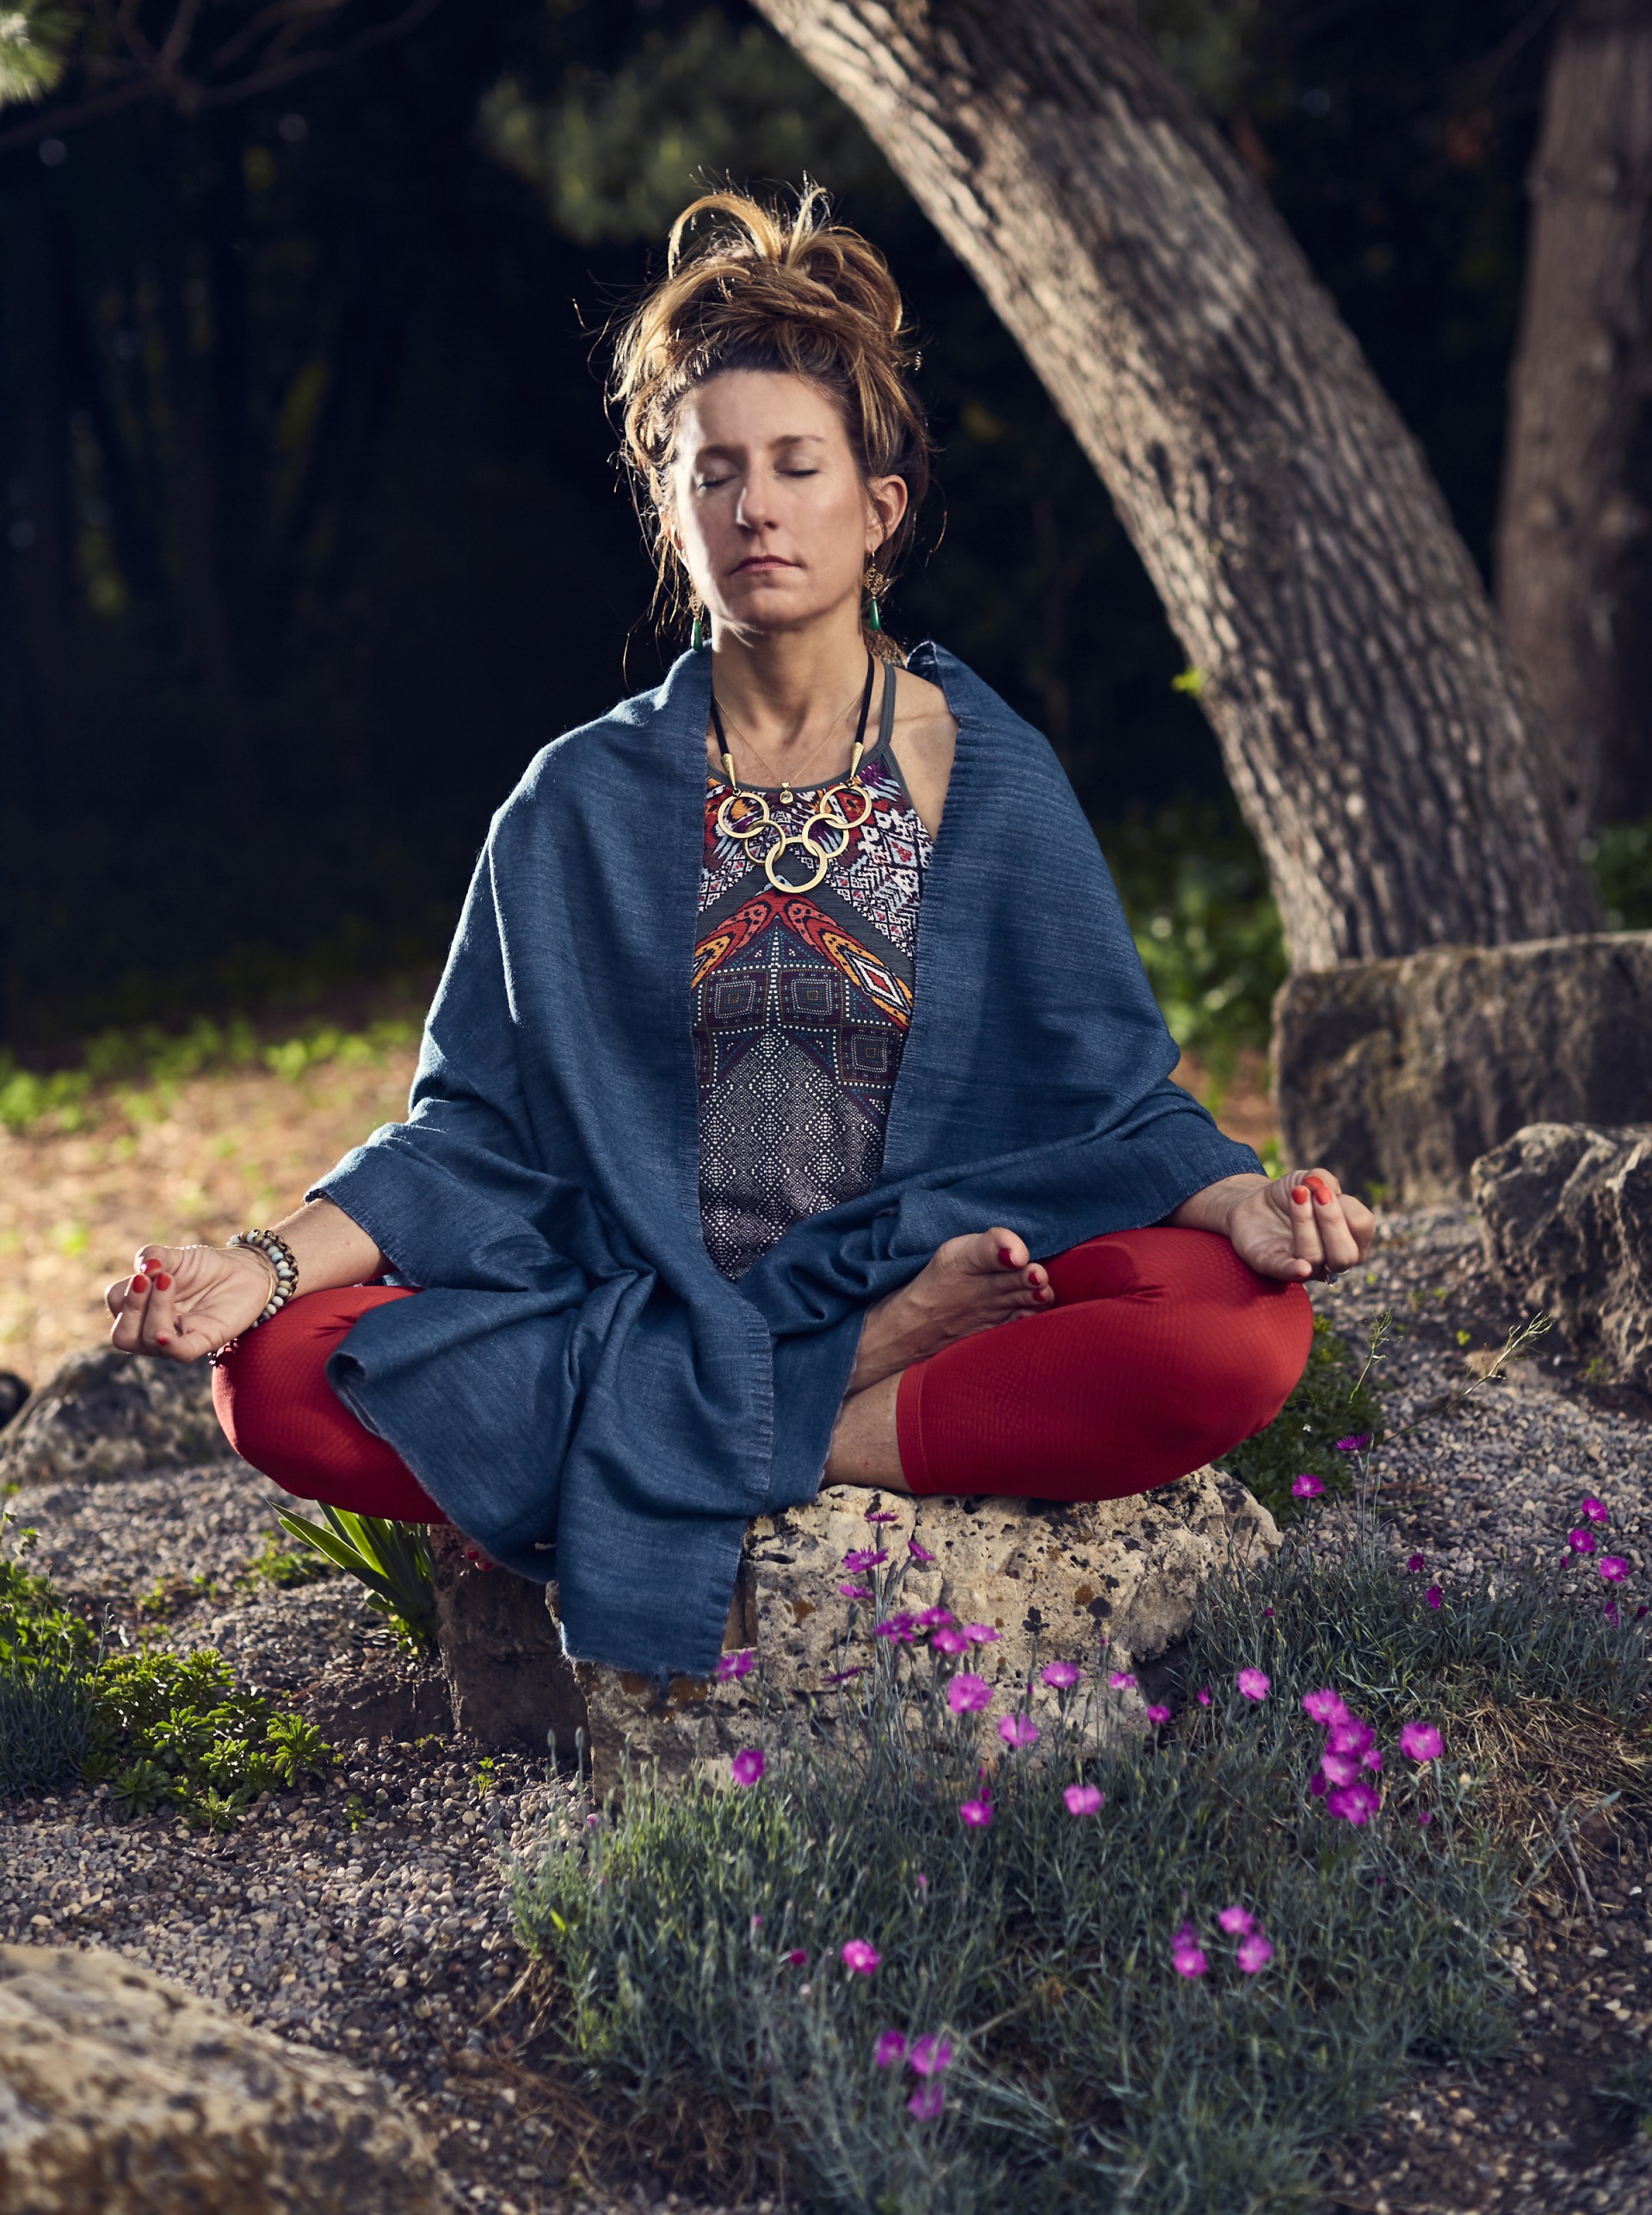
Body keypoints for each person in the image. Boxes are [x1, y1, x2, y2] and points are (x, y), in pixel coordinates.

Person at [104, 189, 1373, 1680]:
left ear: (877, 509)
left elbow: (1114, 1103)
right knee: (281, 1382)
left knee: (1239, 1336)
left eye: (796, 466)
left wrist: (1236, 1205)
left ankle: (676, 1454)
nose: (756, 506)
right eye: (715, 473)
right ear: (672, 511)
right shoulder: (572, 801)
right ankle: (805, 1417)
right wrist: (259, 1264)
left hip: (937, 1287)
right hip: (647, 1306)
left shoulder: (992, 773)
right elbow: (470, 1139)